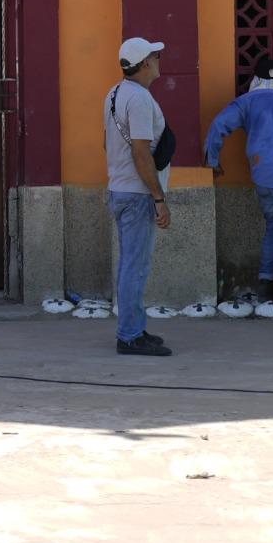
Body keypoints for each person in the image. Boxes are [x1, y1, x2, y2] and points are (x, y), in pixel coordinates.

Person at [204, 66, 273, 304]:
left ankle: (266, 284)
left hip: (264, 174)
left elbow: (218, 126)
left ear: (255, 78)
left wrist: (213, 161)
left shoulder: (246, 101)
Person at [104, 37, 175, 357]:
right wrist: (158, 197)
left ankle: (133, 327)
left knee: (130, 265)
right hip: (137, 193)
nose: (159, 60)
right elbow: (141, 151)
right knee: (136, 266)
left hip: (120, 188)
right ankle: (130, 335)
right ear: (145, 62)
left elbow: (110, 144)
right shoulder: (141, 99)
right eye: (156, 56)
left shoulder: (115, 94)